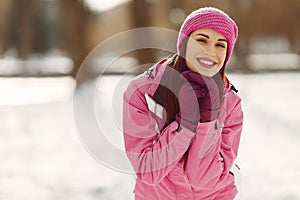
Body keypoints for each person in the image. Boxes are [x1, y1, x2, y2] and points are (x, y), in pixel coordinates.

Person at [123, 7, 243, 200]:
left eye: (220, 45)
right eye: (202, 40)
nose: (210, 51)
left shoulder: (231, 104)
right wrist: (186, 122)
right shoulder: (142, 93)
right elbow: (148, 172)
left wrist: (206, 122)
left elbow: (202, 180)